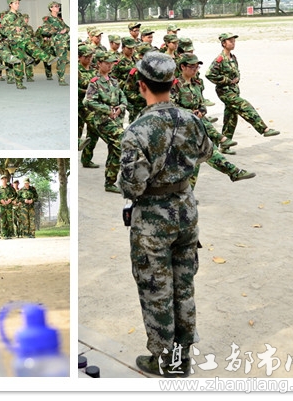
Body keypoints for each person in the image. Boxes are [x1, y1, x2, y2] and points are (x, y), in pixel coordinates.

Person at [118, 51, 213, 378]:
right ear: (173, 83)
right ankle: (182, 356)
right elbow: (206, 152)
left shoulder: (136, 131)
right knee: (183, 285)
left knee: (156, 289)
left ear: (141, 85)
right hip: (186, 212)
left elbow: (131, 186)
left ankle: (163, 360)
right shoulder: (191, 119)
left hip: (153, 220)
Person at [172, 53, 256, 185]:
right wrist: (191, 113)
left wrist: (201, 111)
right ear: (182, 67)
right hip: (182, 127)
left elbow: (201, 104)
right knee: (201, 155)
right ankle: (231, 167)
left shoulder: (197, 84)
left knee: (203, 155)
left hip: (197, 125)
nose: (195, 70)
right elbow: (171, 107)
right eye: (192, 67)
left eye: (197, 67)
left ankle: (232, 170)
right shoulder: (175, 85)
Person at [205, 33, 280, 154]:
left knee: (231, 117)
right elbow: (209, 74)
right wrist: (227, 80)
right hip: (224, 91)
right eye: (230, 41)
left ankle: (224, 145)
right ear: (223, 43)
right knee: (244, 105)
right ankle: (264, 129)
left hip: (234, 90)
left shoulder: (233, 58)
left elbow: (236, 72)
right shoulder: (220, 59)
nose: (233, 43)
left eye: (234, 41)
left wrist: (237, 78)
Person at [83, 50, 128, 193]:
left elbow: (123, 97)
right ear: (99, 64)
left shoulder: (114, 81)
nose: (110, 66)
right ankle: (119, 179)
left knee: (115, 149)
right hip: (102, 121)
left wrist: (121, 107)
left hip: (116, 120)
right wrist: (107, 110)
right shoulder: (95, 83)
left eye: (111, 63)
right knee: (122, 142)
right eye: (107, 63)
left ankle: (110, 182)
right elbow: (88, 101)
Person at [40, 1, 70, 86]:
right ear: (51, 8)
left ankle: (61, 76)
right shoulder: (48, 19)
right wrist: (57, 31)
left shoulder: (59, 19)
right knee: (62, 59)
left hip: (65, 41)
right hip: (57, 42)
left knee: (63, 59)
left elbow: (68, 27)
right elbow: (44, 30)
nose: (58, 7)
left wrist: (65, 30)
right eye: (56, 6)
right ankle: (61, 78)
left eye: (58, 6)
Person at [0, 174, 17, 238]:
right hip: (2, 206)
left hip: (9, 206)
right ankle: (4, 234)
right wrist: (0, 200)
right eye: (2, 179)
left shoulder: (10, 188)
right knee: (3, 220)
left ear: (7, 179)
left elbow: (15, 195)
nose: (4, 180)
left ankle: (10, 234)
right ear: (1, 180)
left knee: (9, 220)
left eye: (5, 179)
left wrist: (11, 199)